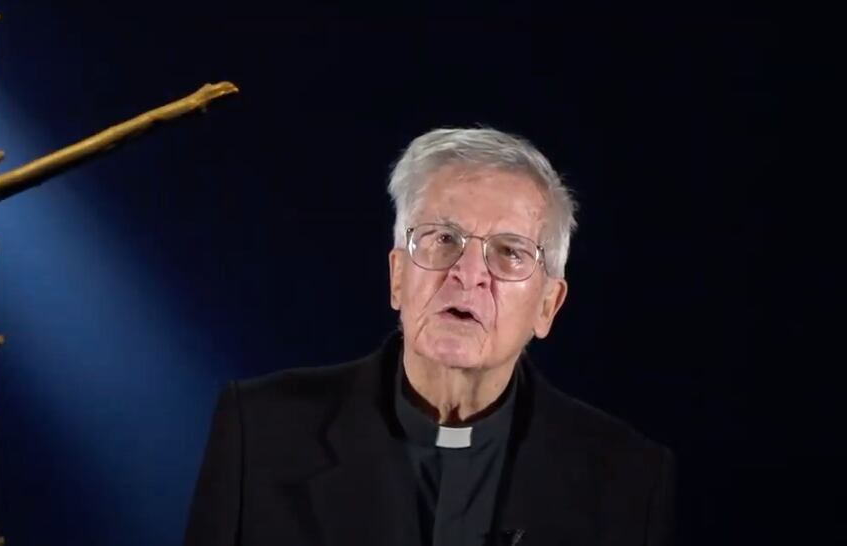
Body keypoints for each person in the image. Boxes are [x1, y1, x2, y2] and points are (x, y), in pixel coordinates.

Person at [182, 127, 676, 546]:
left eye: (509, 252)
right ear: (398, 276)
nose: (468, 274)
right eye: (443, 239)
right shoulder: (260, 433)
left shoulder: (629, 481)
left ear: (547, 306)